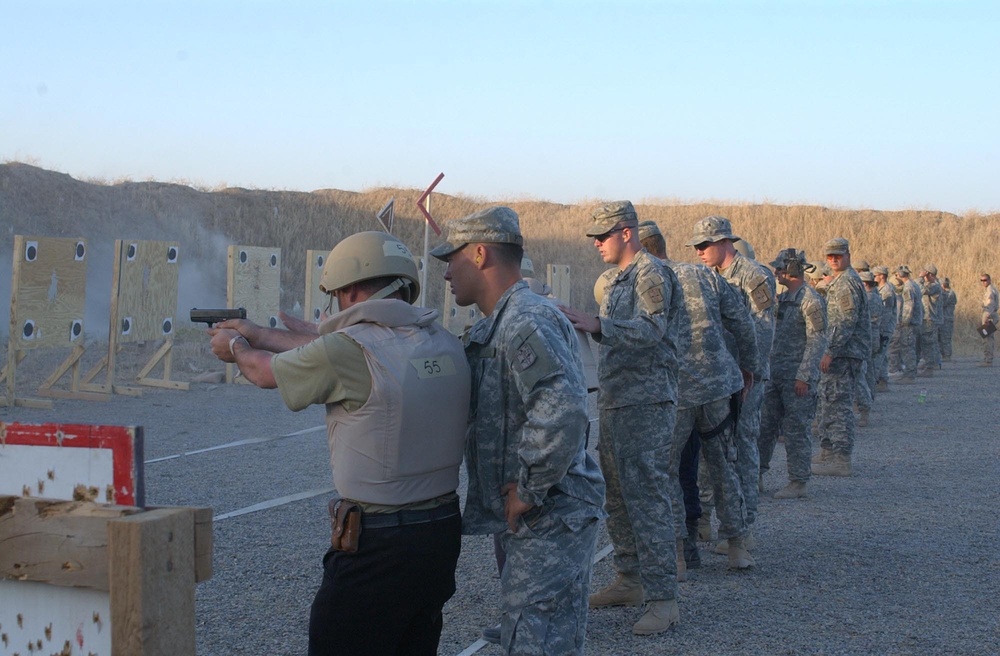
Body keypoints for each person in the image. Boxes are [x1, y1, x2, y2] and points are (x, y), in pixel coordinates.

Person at [207, 231, 470, 656]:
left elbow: (262, 371)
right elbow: (334, 349)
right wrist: (258, 331)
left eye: (337, 295)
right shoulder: (442, 341)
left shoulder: (350, 351)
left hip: (378, 545)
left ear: (350, 289)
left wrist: (236, 346)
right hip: (438, 538)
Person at [432, 206, 606, 654]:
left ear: (480, 253)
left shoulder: (525, 320)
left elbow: (562, 407)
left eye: (451, 258)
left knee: (539, 643)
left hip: (550, 511)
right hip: (543, 512)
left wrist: (528, 488)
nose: (447, 272)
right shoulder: (500, 322)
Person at [561, 200, 683, 636]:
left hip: (647, 404)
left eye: (602, 235)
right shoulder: (615, 280)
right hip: (617, 400)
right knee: (616, 496)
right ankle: (630, 579)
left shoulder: (651, 274)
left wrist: (596, 325)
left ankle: (663, 599)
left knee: (648, 498)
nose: (596, 243)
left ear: (626, 232)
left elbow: (653, 331)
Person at [688, 215, 775, 547]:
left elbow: (763, 328)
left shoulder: (754, 276)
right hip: (719, 378)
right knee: (713, 449)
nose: (699, 252)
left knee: (742, 447)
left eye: (704, 245)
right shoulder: (710, 278)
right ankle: (707, 520)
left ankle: (742, 526)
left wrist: (748, 370)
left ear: (725, 242)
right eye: (696, 246)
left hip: (745, 378)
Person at [759, 249, 827, 499]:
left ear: (792, 271)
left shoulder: (810, 299)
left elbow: (817, 338)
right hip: (776, 374)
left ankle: (798, 481)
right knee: (765, 427)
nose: (776, 273)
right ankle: (757, 474)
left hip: (796, 376)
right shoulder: (785, 298)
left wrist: (805, 375)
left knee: (796, 430)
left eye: (779, 269)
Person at [811, 238, 870, 477]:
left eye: (838, 255)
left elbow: (845, 322)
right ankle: (828, 451)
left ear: (848, 255)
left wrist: (829, 351)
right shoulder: (840, 281)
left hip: (844, 353)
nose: (834, 259)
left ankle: (841, 458)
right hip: (840, 352)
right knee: (828, 401)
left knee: (838, 405)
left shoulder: (846, 283)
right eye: (829, 256)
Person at [892, 265, 923, 383]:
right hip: (915, 322)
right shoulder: (914, 285)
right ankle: (910, 372)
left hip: (909, 324)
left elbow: (908, 306)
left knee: (907, 348)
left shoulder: (908, 288)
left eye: (896, 275)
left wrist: (904, 322)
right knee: (911, 348)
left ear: (900, 275)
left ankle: (909, 375)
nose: (896, 277)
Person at [872, 265, 898, 392]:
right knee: (882, 356)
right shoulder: (881, 289)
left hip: (884, 329)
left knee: (878, 357)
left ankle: (878, 382)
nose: (874, 278)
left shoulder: (887, 291)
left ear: (882, 276)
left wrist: (879, 331)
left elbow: (886, 314)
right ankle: (882, 381)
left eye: (875, 275)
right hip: (883, 328)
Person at [917, 264, 943, 375]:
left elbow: (921, 290)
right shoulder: (930, 285)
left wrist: (920, 278)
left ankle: (929, 368)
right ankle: (927, 365)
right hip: (925, 317)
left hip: (929, 318)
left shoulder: (935, 286)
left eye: (925, 273)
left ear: (930, 274)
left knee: (928, 343)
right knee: (925, 343)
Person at [981, 273, 999, 366]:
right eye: (982, 280)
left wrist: (987, 317)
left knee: (987, 338)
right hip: (991, 315)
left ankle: (988, 360)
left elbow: (990, 305)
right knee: (989, 337)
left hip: (989, 316)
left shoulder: (990, 291)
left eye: (985, 280)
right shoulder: (991, 289)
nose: (983, 282)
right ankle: (988, 359)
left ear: (989, 280)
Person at [939, 278, 957, 361]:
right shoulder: (946, 293)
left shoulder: (950, 293)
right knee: (941, 337)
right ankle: (943, 354)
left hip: (947, 318)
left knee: (946, 337)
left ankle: (947, 355)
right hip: (943, 318)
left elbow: (943, 303)